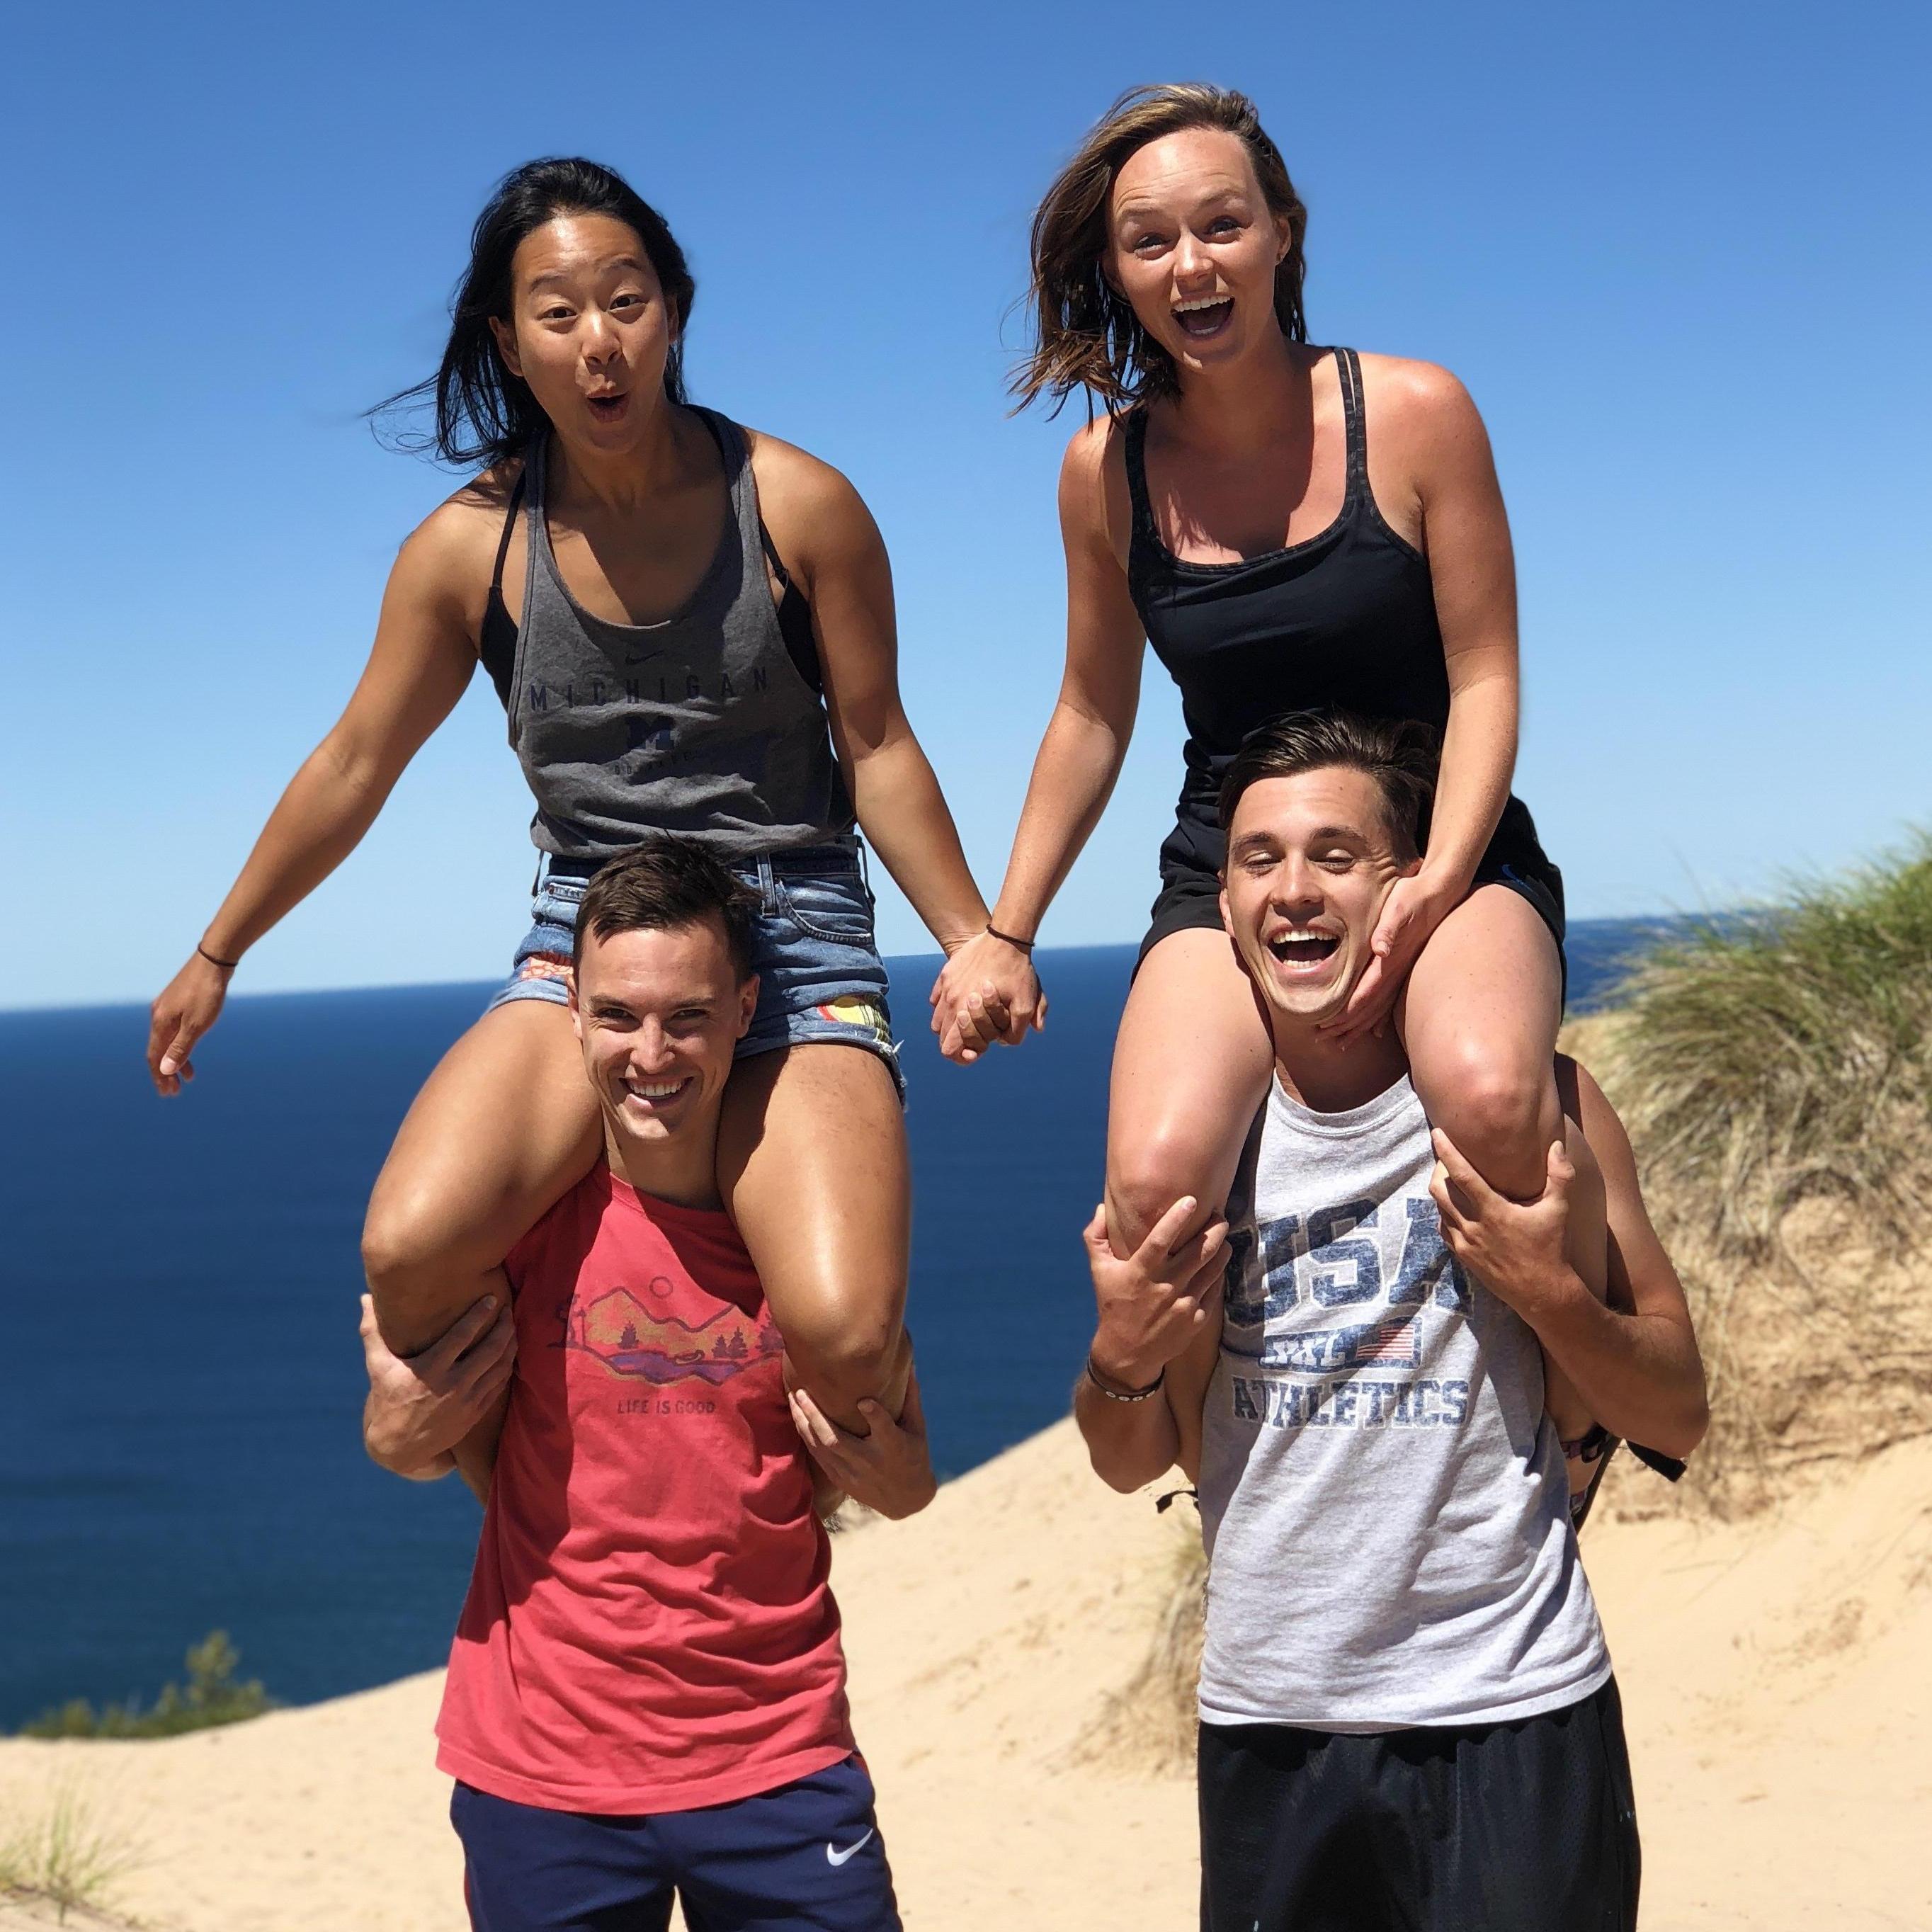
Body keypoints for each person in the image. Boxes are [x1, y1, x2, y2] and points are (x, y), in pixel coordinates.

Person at [145, 157, 1023, 1436]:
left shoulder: (801, 507)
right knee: (409, 1254)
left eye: (627, 302)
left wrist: (971, 936)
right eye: (558, 314)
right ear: (510, 341)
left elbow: (878, 744)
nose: (599, 345)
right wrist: (218, 950)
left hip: (790, 919)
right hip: (587, 930)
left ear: (674, 310)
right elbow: (354, 762)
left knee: (843, 1328)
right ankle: (534, 1486)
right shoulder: (467, 549)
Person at [931, 83, 1610, 1488]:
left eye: (1221, 225)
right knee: (1158, 1180)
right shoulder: (1101, 473)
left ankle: (1590, 1394)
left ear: (1281, 232)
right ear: (1112, 268)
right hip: (1233, 867)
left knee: (1489, 1090)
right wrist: (1003, 924)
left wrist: (1436, 880)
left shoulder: (1414, 413)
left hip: (1440, 838)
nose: (1191, 266)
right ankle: (1209, 1478)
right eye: (1150, 241)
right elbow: (1087, 710)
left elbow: (1486, 673)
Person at [1074, 711, 1709, 1932]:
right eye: (1260, 859)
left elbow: (1678, 1405)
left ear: (1407, 886)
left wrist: (1552, 1296)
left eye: (1334, 855)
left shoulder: (1551, 1111)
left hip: (1513, 1706)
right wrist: (1121, 1359)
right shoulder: (1202, 1145)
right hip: (1270, 1722)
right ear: (1224, 899)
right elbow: (1124, 1458)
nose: (1293, 891)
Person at [363, 838, 932, 1931]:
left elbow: (896, 1480)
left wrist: (906, 1477)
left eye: (688, 1016)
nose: (651, 1053)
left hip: (776, 1757)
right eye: (618, 1016)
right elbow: (418, 1431)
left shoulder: (805, 1250)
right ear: (571, 1011)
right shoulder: (511, 1235)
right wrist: (394, 1434)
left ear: (748, 1009)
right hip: (544, 1775)